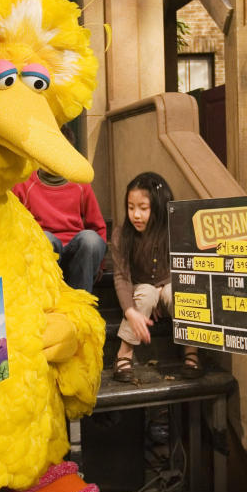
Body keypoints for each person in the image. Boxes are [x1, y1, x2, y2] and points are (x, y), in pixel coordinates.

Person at [109, 171, 202, 382]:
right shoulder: (121, 235)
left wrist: (163, 286)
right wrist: (130, 312)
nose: (136, 215)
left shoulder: (174, 231)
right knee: (147, 294)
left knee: (175, 292)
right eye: (131, 208)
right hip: (140, 290)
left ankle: (191, 351)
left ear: (159, 208)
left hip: (169, 285)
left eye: (143, 208)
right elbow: (121, 277)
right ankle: (124, 353)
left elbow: (185, 268)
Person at [12, 125, 107, 293]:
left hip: (76, 255)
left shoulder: (80, 183)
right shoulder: (24, 184)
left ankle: (81, 304)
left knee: (90, 239)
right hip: (44, 256)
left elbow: (97, 226)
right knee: (46, 239)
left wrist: (100, 263)